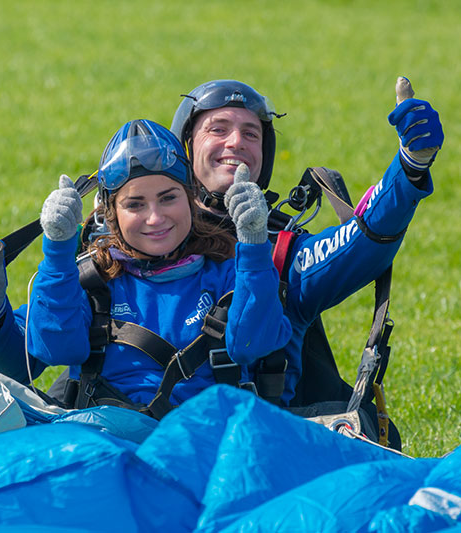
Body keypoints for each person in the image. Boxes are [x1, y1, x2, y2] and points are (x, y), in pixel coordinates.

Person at [0, 77, 443, 413]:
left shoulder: (277, 250)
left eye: (251, 133)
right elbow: (30, 362)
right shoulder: (105, 253)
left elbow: (362, 241)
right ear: (183, 148)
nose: (235, 142)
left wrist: (409, 169)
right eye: (218, 128)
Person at [23, 119, 290, 415]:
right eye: (135, 205)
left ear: (190, 199)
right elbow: (55, 348)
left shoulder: (226, 273)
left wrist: (253, 245)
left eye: (168, 198)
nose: (154, 218)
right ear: (111, 215)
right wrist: (58, 251)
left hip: (208, 443)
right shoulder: (93, 282)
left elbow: (254, 343)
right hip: (110, 442)